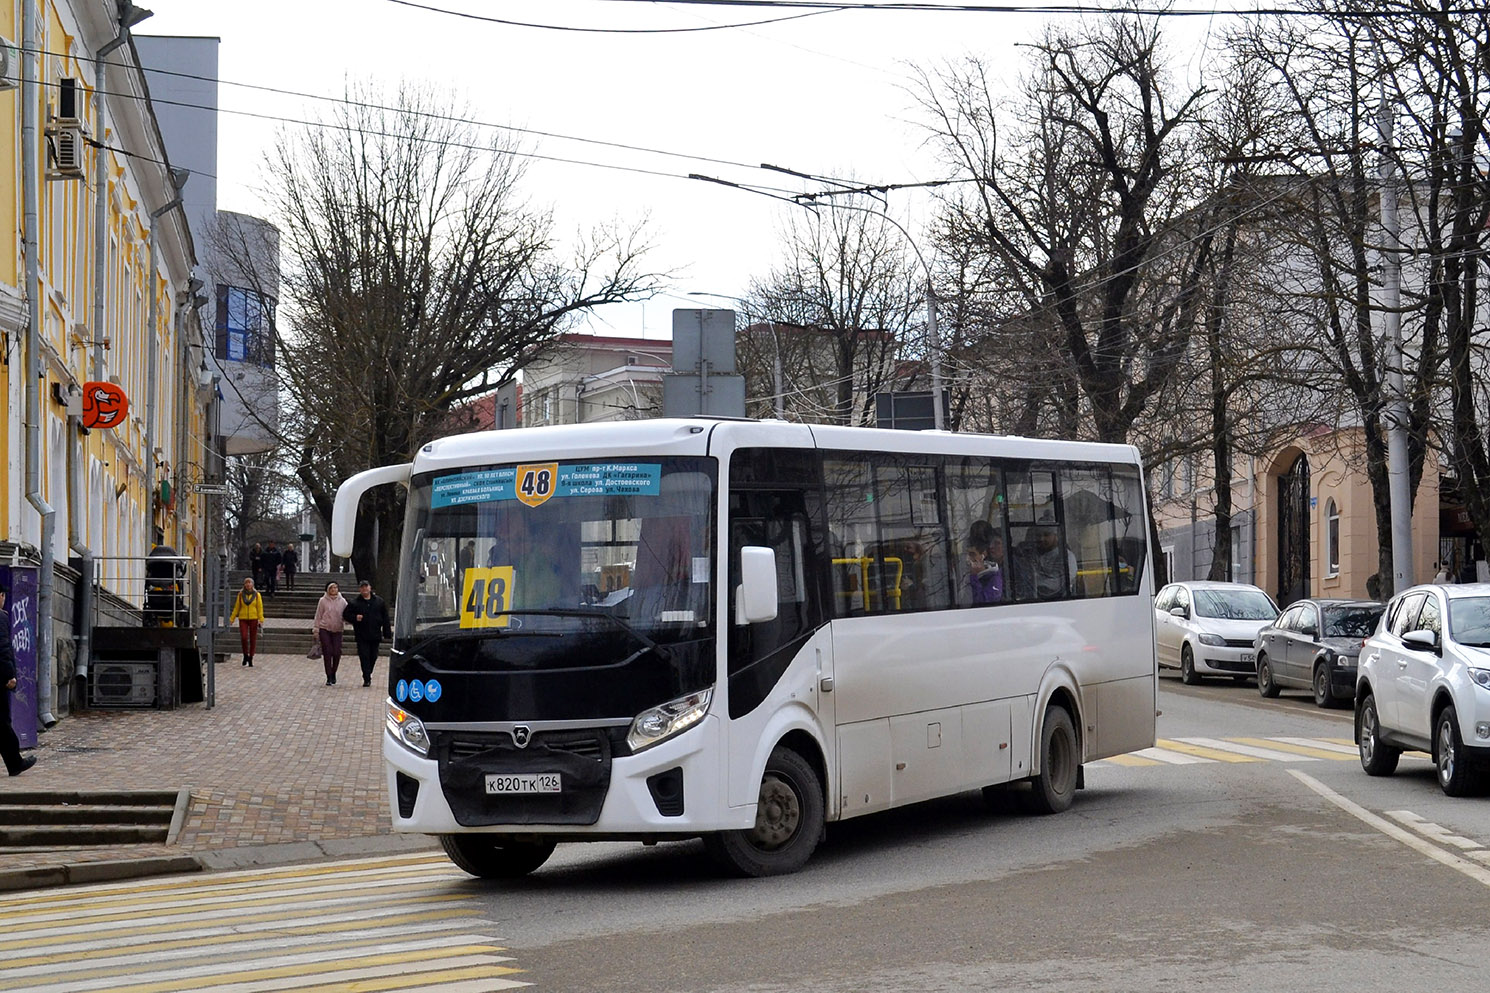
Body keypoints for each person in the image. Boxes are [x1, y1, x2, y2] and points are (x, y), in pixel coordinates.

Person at [0, 587, 36, 777]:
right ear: (1, 596)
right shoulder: (1, 617)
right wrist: (9, 675)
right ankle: (15, 763)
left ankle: (14, 763)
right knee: (2, 723)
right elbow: (2, 648)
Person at [343, 580, 393, 687]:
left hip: (375, 634)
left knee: (373, 656)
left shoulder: (379, 601)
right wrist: (355, 618)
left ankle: (368, 671)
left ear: (370, 588)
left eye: (366, 587)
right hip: (361, 635)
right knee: (364, 656)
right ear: (359, 589)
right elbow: (346, 614)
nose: (364, 589)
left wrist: (387, 632)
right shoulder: (354, 602)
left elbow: (385, 617)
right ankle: (366, 677)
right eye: (362, 587)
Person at [313, 582, 349, 686]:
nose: (334, 590)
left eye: (335, 588)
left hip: (337, 629)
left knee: (337, 652)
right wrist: (316, 629)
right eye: (331, 588)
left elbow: (347, 614)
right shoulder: (322, 601)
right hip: (325, 628)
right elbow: (318, 615)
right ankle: (328, 675)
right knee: (327, 652)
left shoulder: (342, 601)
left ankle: (334, 672)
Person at [228, 577, 265, 667]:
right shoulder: (241, 594)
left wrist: (261, 619)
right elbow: (237, 607)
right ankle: (245, 654)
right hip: (243, 618)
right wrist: (231, 619)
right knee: (244, 637)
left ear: (252, 585)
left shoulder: (257, 595)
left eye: (249, 583)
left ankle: (251, 657)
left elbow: (260, 608)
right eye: (246, 583)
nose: (248, 585)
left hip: (253, 618)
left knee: (253, 639)